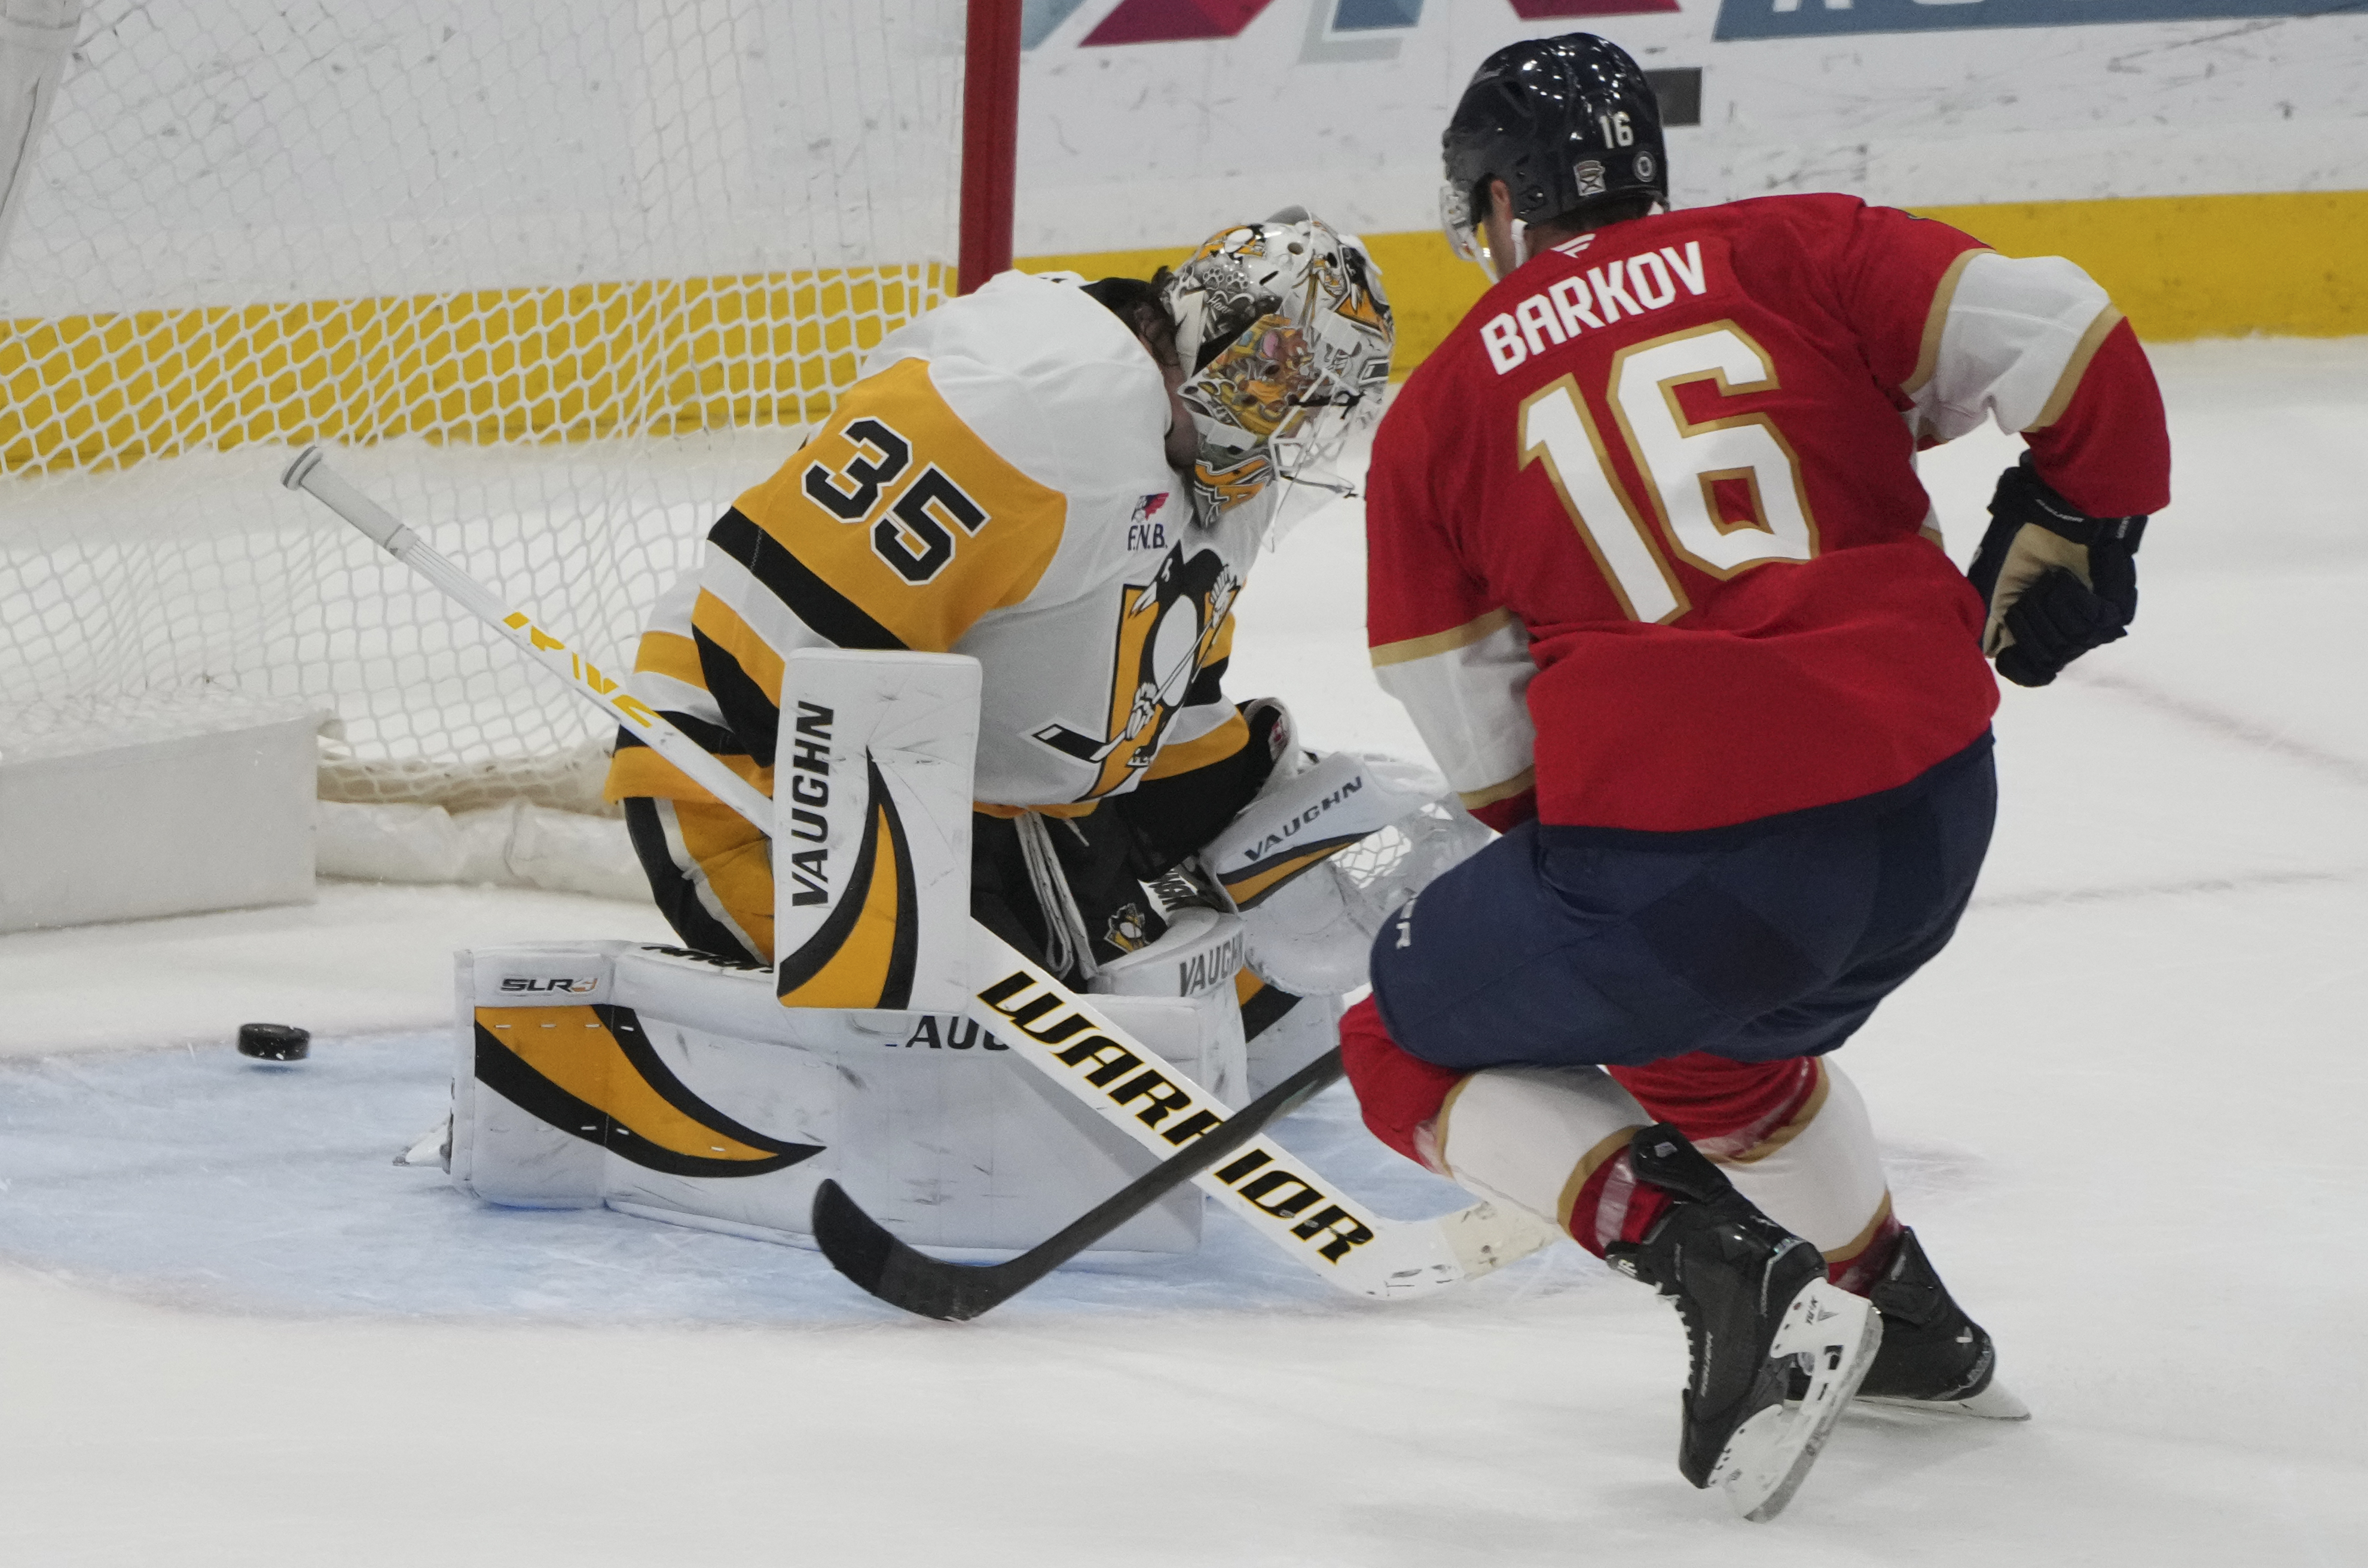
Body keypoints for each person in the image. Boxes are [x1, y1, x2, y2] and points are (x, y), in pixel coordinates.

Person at [1346, 33, 2170, 1514]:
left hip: (1695, 871)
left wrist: (1575, 868)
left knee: (1391, 1043)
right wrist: (2087, 515)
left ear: (1502, 203)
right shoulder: (1800, 247)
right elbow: (2066, 328)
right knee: (1693, 1051)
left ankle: (1719, 1266)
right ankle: (1896, 1312)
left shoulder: (1443, 409)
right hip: (1935, 813)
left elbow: (1462, 710)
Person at [604, 213, 1400, 1062]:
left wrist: (1247, 814)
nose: (1294, 430)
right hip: (753, 774)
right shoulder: (1039, 402)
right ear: (1229, 348)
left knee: (1203, 1007)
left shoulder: (1220, 465)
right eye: (1289, 389)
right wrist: (914, 919)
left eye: (1316, 407)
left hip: (977, 798)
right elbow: (763, 642)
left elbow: (1159, 694)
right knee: (970, 1057)